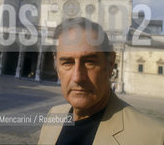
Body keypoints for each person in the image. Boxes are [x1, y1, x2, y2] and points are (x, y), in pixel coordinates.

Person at [38, 17, 164, 145]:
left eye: (89, 62)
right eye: (67, 63)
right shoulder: (53, 116)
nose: (77, 77)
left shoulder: (154, 137)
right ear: (57, 68)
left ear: (110, 64)